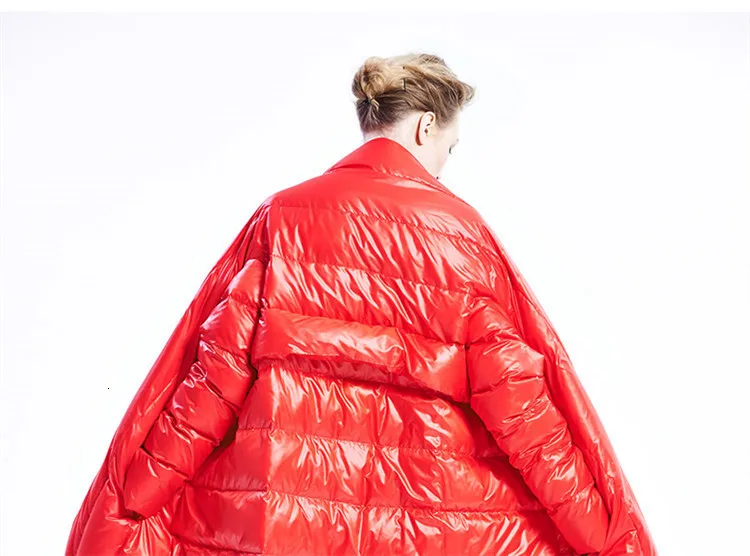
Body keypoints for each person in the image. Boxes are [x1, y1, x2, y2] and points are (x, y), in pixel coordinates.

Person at [66, 52, 657, 555]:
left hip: (291, 518)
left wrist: (131, 502)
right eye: (450, 147)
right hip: (424, 523)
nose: (445, 163)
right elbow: (523, 409)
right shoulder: (462, 236)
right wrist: (601, 536)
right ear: (426, 126)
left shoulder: (283, 216)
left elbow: (212, 378)